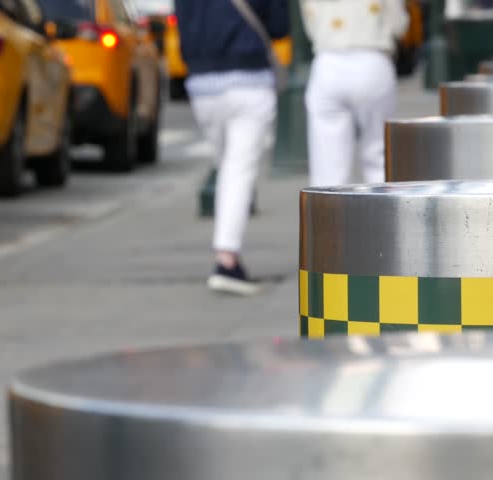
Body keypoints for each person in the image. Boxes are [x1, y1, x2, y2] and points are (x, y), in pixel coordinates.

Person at [175, 0, 289, 296]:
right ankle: (227, 259)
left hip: (202, 84)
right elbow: (279, 25)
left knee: (227, 166)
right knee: (238, 169)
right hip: (249, 78)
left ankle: (227, 255)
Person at [301, 0, 410, 187]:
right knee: (379, 155)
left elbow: (310, 27)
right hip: (373, 59)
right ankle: (385, 212)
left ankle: (330, 214)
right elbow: (399, 24)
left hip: (327, 61)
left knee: (328, 164)